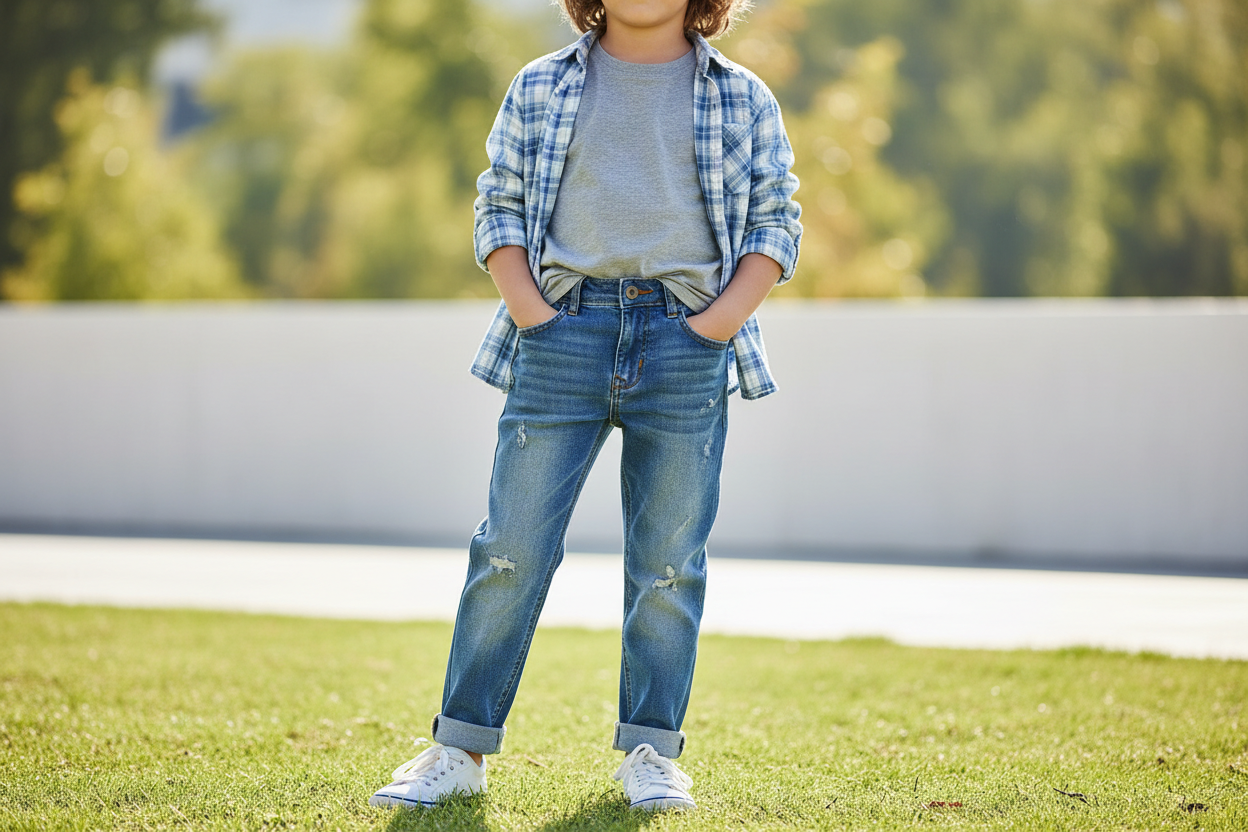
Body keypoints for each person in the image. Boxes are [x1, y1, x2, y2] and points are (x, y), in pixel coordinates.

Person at [370, 0, 801, 813]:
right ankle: (458, 748)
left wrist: (713, 327)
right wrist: (535, 314)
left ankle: (651, 750)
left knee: (669, 564)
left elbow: (777, 223)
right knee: (510, 548)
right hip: (562, 334)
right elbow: (497, 205)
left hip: (686, 341)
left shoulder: (742, 97)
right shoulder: (539, 85)